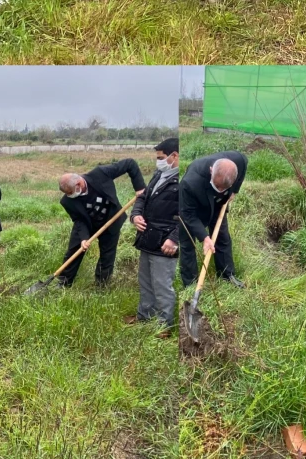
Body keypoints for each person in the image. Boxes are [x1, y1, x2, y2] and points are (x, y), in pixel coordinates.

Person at [57, 158, 146, 288]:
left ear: (79, 184)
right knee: (74, 251)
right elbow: (79, 220)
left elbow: (130, 164)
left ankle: (101, 285)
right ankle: (64, 282)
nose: (69, 196)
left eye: (71, 193)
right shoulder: (67, 201)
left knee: (107, 255)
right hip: (87, 224)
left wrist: (139, 188)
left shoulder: (100, 174)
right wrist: (83, 238)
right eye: (67, 194)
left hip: (111, 220)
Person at [128, 139, 182, 335]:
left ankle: (164, 326)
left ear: (174, 155)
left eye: (161, 157)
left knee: (162, 286)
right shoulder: (159, 174)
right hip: (147, 239)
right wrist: (135, 215)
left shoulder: (182, 181)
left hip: (165, 243)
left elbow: (188, 216)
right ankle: (144, 317)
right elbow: (142, 197)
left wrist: (174, 238)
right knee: (146, 282)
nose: (158, 161)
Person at [176, 151, 247, 288]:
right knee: (187, 242)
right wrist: (205, 237)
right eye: (217, 186)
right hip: (191, 207)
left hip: (217, 204)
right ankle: (191, 284)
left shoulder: (238, 160)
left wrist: (234, 190)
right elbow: (188, 215)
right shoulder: (189, 183)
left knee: (222, 236)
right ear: (211, 171)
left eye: (223, 188)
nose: (219, 190)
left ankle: (227, 275)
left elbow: (244, 164)